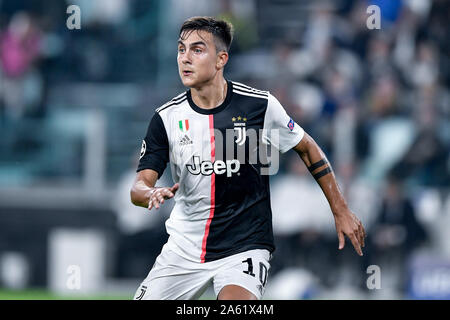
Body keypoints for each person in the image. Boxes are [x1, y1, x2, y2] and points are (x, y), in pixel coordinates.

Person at [130, 16, 366, 300]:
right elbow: (139, 186)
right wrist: (149, 192)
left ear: (221, 59)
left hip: (244, 247)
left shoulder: (260, 106)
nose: (185, 58)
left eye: (197, 50)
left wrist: (340, 209)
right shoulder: (165, 118)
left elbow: (306, 147)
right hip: (185, 248)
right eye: (181, 49)